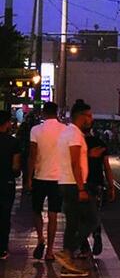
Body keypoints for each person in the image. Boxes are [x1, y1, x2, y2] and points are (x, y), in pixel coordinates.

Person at [54, 100, 99, 277]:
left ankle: (68, 264)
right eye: (89, 115)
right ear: (81, 116)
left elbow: (73, 157)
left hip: (67, 183)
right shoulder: (74, 134)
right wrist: (81, 188)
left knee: (72, 224)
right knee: (92, 220)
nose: (91, 119)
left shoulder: (69, 133)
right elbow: (74, 163)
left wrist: (87, 154)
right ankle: (68, 252)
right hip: (74, 185)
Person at [25, 101, 66, 261]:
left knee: (36, 210)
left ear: (43, 113)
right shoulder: (64, 130)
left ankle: (40, 238)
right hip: (58, 178)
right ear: (56, 113)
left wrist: (28, 178)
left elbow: (32, 155)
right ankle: (49, 250)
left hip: (39, 177)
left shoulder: (36, 130)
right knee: (53, 214)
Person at [84, 125, 115, 256]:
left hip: (82, 182)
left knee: (82, 214)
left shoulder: (77, 143)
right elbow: (106, 167)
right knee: (95, 212)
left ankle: (84, 246)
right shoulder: (100, 143)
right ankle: (96, 234)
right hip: (97, 182)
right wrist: (111, 186)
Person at [0, 111, 22, 260]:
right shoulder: (13, 142)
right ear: (7, 123)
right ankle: (2, 248)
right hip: (6, 181)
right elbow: (16, 167)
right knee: (4, 214)